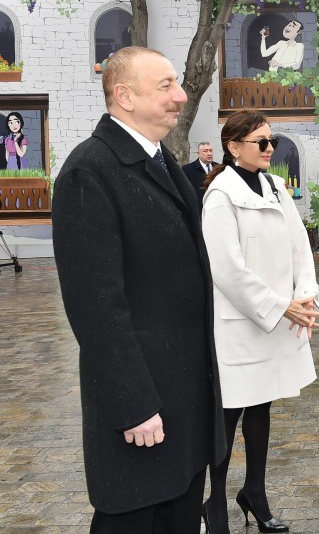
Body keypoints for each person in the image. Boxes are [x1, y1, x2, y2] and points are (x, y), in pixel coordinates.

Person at [51, 46, 225, 534]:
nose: (181, 95)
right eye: (166, 85)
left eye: (177, 83)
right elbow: (96, 306)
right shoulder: (91, 171)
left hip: (184, 399)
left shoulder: (164, 161)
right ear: (123, 95)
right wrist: (134, 403)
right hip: (143, 409)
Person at [200, 110, 319, 534]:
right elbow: (227, 270)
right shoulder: (220, 195)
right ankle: (214, 503)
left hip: (276, 318)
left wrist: (305, 298)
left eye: (272, 141)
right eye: (262, 142)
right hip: (239, 324)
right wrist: (279, 306)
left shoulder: (274, 186)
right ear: (234, 147)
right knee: (227, 415)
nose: (271, 149)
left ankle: (255, 492)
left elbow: (298, 247)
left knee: (261, 408)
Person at [182, 141, 215, 210]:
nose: (209, 153)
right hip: (198, 209)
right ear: (198, 153)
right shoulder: (187, 169)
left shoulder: (218, 168)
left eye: (210, 151)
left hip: (215, 207)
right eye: (205, 151)